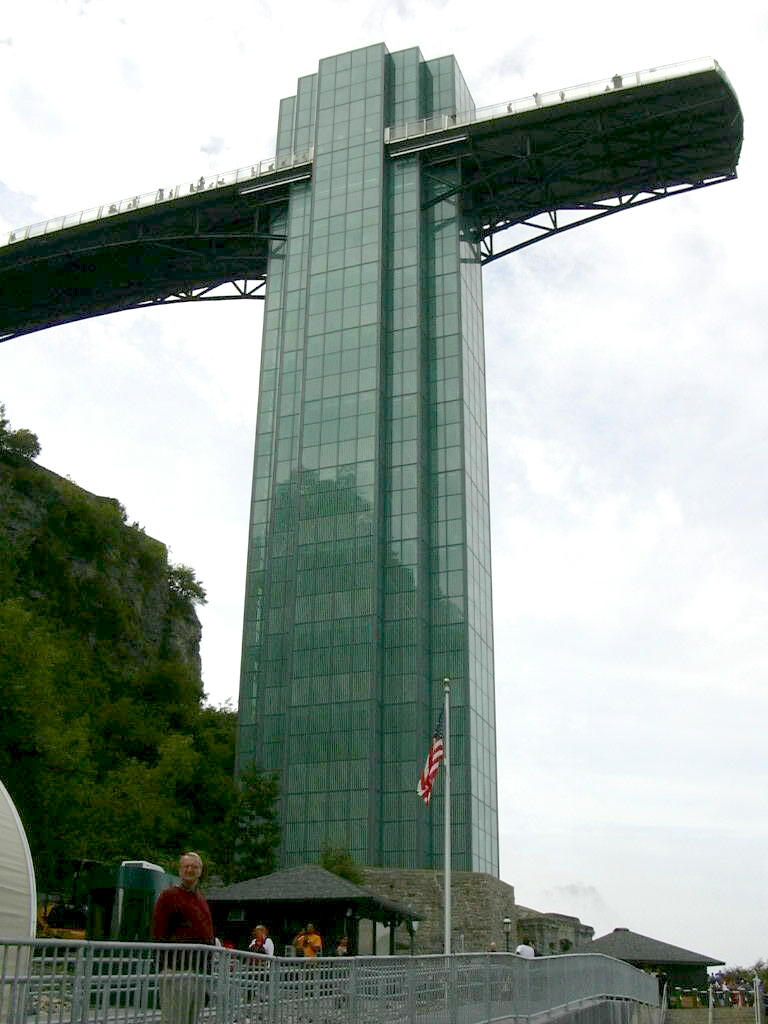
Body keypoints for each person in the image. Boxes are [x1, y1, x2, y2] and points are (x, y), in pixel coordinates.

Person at [151, 852, 215, 1024]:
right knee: (174, 1019)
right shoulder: (168, 896)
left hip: (199, 971)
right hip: (177, 970)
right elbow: (159, 931)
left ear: (200, 871)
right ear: (179, 870)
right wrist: (163, 966)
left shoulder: (201, 899)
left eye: (194, 867)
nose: (190, 870)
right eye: (186, 866)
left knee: (192, 1019)